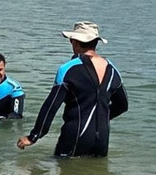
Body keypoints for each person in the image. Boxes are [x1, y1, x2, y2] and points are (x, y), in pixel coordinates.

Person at [17, 21, 129, 157]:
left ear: (75, 42)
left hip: (74, 136)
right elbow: (122, 105)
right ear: (96, 43)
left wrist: (33, 136)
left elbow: (51, 106)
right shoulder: (112, 69)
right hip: (102, 140)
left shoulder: (68, 69)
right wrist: (100, 118)